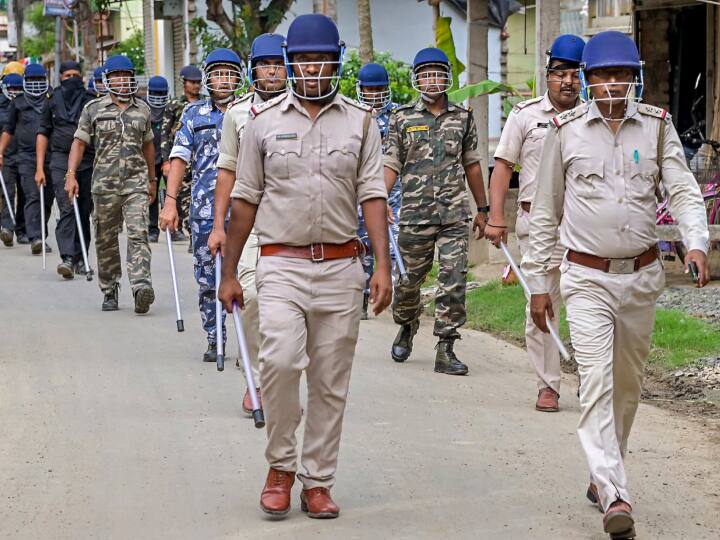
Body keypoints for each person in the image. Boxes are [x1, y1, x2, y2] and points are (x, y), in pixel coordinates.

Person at [522, 31, 709, 539]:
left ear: (635, 79)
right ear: (587, 80)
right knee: (597, 384)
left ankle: (604, 468)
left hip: (642, 276)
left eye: (621, 75)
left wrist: (696, 243)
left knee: (627, 389)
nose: (611, 85)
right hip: (584, 278)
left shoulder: (657, 126)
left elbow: (684, 191)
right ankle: (614, 492)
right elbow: (545, 213)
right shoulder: (565, 130)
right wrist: (540, 283)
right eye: (602, 75)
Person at [218, 13, 392, 519]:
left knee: (330, 380)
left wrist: (382, 264)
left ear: (337, 62)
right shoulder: (263, 123)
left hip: (341, 268)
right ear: (289, 64)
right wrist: (229, 272)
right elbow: (245, 200)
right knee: (278, 363)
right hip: (281, 266)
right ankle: (280, 465)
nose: (313, 68)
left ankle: (318, 479)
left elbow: (373, 195)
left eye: (322, 59)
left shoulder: (362, 122)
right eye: (303, 59)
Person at [485, 34, 585, 412]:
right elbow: (503, 166)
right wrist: (496, 216)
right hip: (535, 225)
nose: (568, 82)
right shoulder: (525, 116)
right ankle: (549, 385)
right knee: (541, 305)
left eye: (575, 74)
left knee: (583, 306)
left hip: (582, 225)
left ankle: (590, 382)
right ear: (548, 76)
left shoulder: (593, 118)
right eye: (560, 73)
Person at [383, 47, 488, 375]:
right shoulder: (402, 118)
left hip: (454, 215)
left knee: (453, 278)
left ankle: (446, 346)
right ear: (417, 78)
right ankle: (407, 323)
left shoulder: (463, 117)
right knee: (409, 282)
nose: (432, 80)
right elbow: (390, 164)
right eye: (425, 74)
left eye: (437, 73)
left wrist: (483, 208)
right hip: (414, 215)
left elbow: (472, 164)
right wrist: (379, 200)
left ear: (446, 78)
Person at [212, 32, 288, 413]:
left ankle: (279, 382)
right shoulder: (238, 113)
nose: (272, 71)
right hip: (249, 224)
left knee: (287, 310)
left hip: (293, 223)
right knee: (252, 297)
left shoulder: (303, 107)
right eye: (265, 64)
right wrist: (218, 225)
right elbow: (226, 172)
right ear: (253, 69)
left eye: (278, 63)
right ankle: (255, 381)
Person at [159, 49, 244, 363]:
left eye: (229, 73)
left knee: (250, 274)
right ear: (208, 78)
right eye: (217, 74)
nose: (223, 80)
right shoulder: (193, 115)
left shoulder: (253, 111)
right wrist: (170, 204)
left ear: (239, 77)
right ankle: (215, 335)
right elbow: (179, 158)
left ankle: (250, 339)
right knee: (209, 278)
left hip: (248, 209)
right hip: (205, 211)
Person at [66, 55, 157, 313]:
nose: (121, 80)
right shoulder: (93, 109)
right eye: (116, 75)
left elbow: (148, 146)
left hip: (135, 184)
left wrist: (151, 180)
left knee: (138, 233)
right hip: (104, 186)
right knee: (105, 239)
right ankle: (109, 288)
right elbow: (79, 143)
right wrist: (71, 174)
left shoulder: (143, 109)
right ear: (107, 79)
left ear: (132, 78)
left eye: (125, 75)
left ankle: (141, 287)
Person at [35, 61, 96, 278]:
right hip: (60, 160)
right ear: (60, 77)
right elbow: (42, 133)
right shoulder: (51, 100)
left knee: (84, 209)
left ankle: (81, 258)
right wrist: (40, 167)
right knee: (67, 206)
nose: (72, 79)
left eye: (75, 75)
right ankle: (67, 258)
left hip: (88, 160)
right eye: (67, 75)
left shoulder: (90, 100)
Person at [355, 62, 402, 319]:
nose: (374, 94)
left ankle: (394, 294)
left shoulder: (398, 115)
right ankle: (362, 296)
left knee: (395, 249)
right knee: (362, 248)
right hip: (360, 196)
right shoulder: (353, 116)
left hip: (393, 195)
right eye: (369, 90)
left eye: (379, 89)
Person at [0, 63, 53, 255]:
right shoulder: (18, 102)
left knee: (47, 199)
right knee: (32, 195)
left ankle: (37, 231)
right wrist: (1, 151)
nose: (36, 84)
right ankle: (35, 237)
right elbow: (8, 128)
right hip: (26, 157)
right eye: (32, 80)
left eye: (40, 80)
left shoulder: (52, 100)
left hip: (51, 157)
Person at [161, 65, 202, 245]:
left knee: (200, 197)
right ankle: (191, 234)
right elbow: (164, 133)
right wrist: (166, 161)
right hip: (181, 159)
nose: (196, 86)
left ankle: (196, 236)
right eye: (192, 82)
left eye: (198, 82)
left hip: (201, 159)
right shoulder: (174, 105)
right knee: (184, 199)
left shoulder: (205, 104)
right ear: (184, 83)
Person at [0, 70, 27, 247]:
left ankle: (23, 231)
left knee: (26, 195)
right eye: (12, 88)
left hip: (26, 156)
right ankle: (7, 228)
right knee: (7, 192)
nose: (15, 92)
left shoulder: (27, 103)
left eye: (19, 88)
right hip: (6, 157)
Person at [146, 75, 170, 243]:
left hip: (168, 157)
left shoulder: (171, 108)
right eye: (155, 93)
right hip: (151, 159)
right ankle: (152, 228)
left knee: (171, 193)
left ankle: (173, 228)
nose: (158, 96)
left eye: (161, 93)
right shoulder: (144, 109)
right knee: (152, 195)